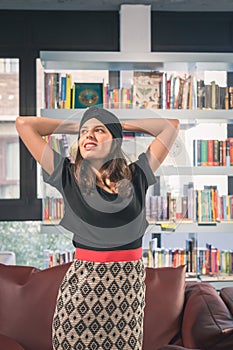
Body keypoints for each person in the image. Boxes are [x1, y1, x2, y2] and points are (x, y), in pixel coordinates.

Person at [16, 106, 179, 350]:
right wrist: (80, 126)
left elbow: (170, 126)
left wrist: (117, 126)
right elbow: (23, 124)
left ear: (115, 142)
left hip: (128, 291)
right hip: (83, 291)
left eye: (98, 131)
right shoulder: (66, 175)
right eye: (84, 133)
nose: (88, 136)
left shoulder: (138, 175)